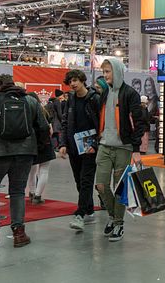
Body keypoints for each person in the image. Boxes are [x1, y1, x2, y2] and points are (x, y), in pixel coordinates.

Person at [0, 75, 50, 247]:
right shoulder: (30, 100)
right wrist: (39, 146)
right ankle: (19, 234)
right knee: (18, 192)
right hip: (25, 153)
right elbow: (43, 127)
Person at [94, 58, 145, 243]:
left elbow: (139, 122)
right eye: (104, 71)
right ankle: (112, 216)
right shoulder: (105, 94)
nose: (105, 75)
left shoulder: (130, 94)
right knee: (101, 185)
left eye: (108, 71)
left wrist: (136, 148)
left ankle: (118, 223)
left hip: (123, 147)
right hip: (104, 146)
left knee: (118, 189)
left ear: (117, 71)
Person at [59, 69, 101, 232]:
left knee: (86, 180)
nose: (73, 84)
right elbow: (65, 122)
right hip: (74, 146)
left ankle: (80, 214)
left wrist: (96, 144)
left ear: (82, 80)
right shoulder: (70, 99)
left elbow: (102, 124)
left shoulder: (95, 99)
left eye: (76, 80)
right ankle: (89, 210)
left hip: (91, 146)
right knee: (79, 180)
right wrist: (63, 143)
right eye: (70, 82)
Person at [26, 91, 55, 205]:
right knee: (44, 170)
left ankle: (32, 193)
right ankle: (37, 196)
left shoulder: (26, 113)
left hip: (31, 144)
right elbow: (50, 130)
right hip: (45, 144)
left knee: (31, 171)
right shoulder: (44, 112)